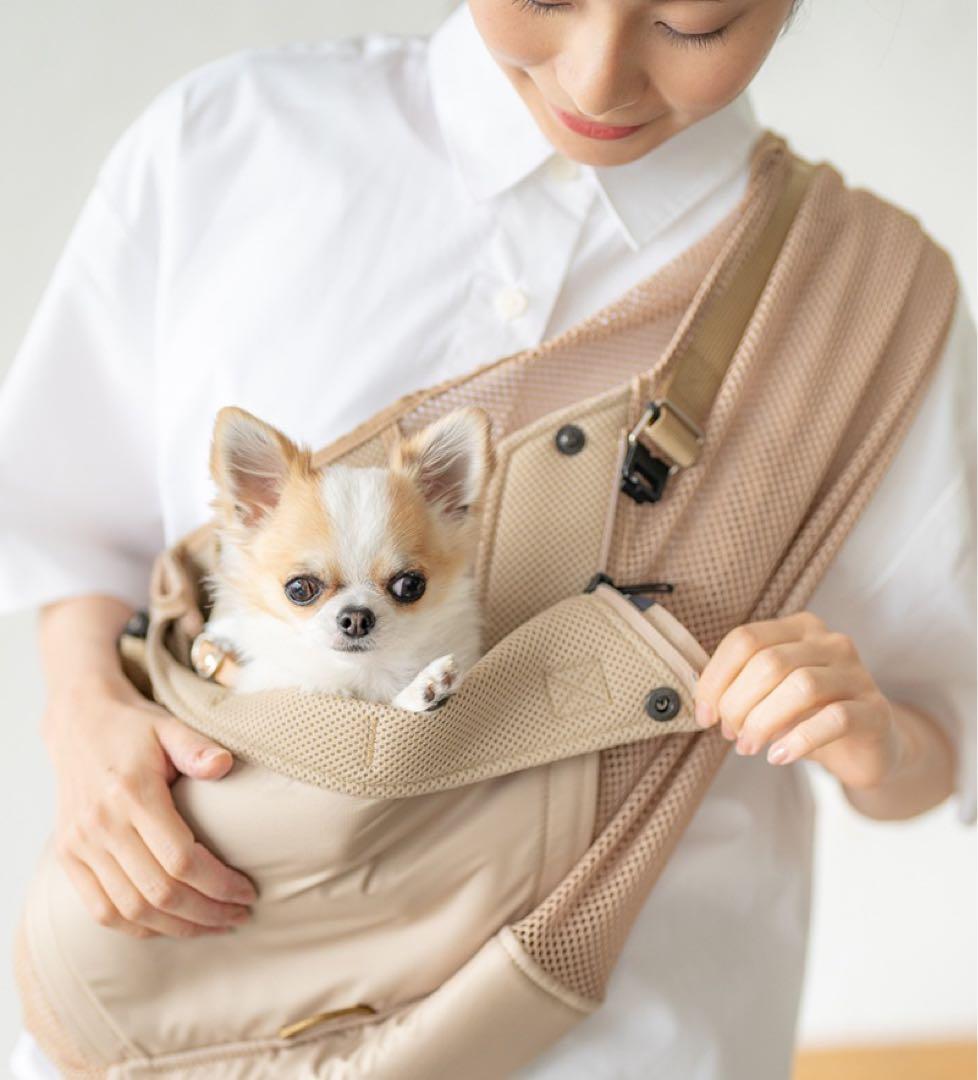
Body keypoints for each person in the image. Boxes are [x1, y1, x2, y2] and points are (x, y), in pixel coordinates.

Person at [2, 1, 974, 1077]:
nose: (598, 79)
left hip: (618, 1024)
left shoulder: (862, 301)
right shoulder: (231, 139)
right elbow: (77, 530)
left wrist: (865, 734)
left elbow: (937, 742)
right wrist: (84, 716)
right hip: (186, 989)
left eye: (693, 22)